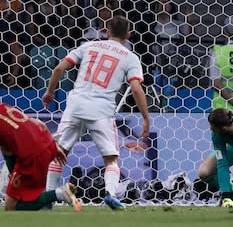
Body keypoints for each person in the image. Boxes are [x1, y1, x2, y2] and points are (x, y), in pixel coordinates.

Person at [42, 15, 151, 211]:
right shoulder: (130, 57)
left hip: (76, 105)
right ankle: (110, 194)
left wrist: (50, 92)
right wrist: (145, 117)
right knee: (111, 158)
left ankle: (48, 197)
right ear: (128, 35)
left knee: (59, 153)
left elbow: (59, 68)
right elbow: (136, 88)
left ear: (106, 32)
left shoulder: (89, 46)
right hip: (101, 110)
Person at [0, 103, 81, 211]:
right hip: (45, 140)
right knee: (7, 146)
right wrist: (51, 144)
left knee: (11, 207)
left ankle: (59, 194)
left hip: (32, 155)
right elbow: (37, 123)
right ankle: (43, 203)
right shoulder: (3, 107)